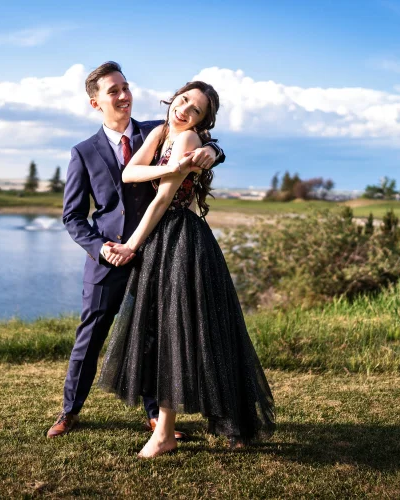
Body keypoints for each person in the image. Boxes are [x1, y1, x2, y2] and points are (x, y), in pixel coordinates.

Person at [98, 81, 275, 458]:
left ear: (202, 120)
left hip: (181, 240)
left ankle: (164, 434)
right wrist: (173, 167)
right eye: (182, 101)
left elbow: (163, 199)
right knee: (182, 333)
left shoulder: (187, 139)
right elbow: (130, 173)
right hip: (164, 240)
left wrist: (131, 245)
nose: (184, 111)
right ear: (172, 99)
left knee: (178, 335)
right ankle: (218, 425)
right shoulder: (163, 132)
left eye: (194, 110)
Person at [47, 62, 225, 438]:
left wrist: (213, 150)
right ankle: (69, 411)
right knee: (91, 336)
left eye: (125, 87)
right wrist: (101, 248)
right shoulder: (82, 153)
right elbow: (74, 216)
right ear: (96, 103)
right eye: (113, 91)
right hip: (108, 258)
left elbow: (196, 136)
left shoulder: (156, 131)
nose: (124, 95)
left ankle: (155, 418)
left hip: (155, 252)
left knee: (154, 338)